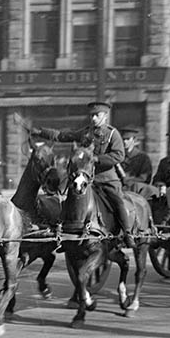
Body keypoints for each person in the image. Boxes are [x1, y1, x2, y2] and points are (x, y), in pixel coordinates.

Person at [31, 100, 135, 248]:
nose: (93, 118)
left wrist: (96, 159)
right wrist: (42, 132)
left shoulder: (112, 134)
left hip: (106, 179)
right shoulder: (85, 133)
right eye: (91, 115)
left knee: (117, 202)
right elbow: (63, 136)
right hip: (85, 179)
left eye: (96, 115)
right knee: (68, 198)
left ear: (105, 116)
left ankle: (127, 233)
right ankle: (62, 229)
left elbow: (119, 155)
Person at [120, 127, 156, 199]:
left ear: (134, 140)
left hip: (135, 190)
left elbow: (144, 178)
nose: (124, 141)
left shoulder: (143, 158)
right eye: (123, 139)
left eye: (127, 139)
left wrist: (127, 180)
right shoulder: (119, 156)